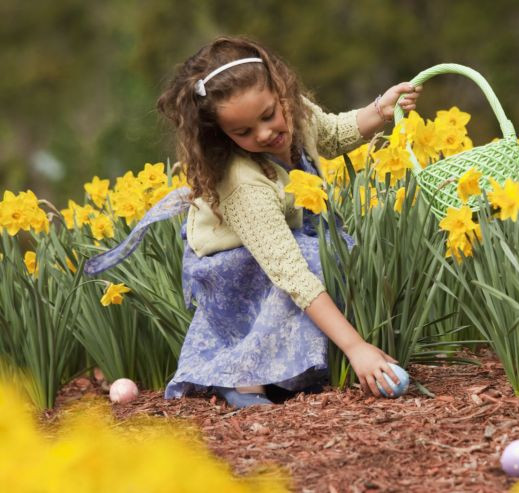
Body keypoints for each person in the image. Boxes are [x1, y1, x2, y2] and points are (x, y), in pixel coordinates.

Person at [137, 36, 419, 409]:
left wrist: (381, 109)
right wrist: (355, 348)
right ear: (221, 134)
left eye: (268, 115)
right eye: (243, 132)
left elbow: (332, 133)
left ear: (281, 90)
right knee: (310, 262)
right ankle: (244, 378)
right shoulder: (242, 182)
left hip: (284, 242)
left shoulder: (294, 112)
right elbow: (290, 273)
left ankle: (293, 372)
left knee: (329, 255)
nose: (264, 133)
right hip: (231, 266)